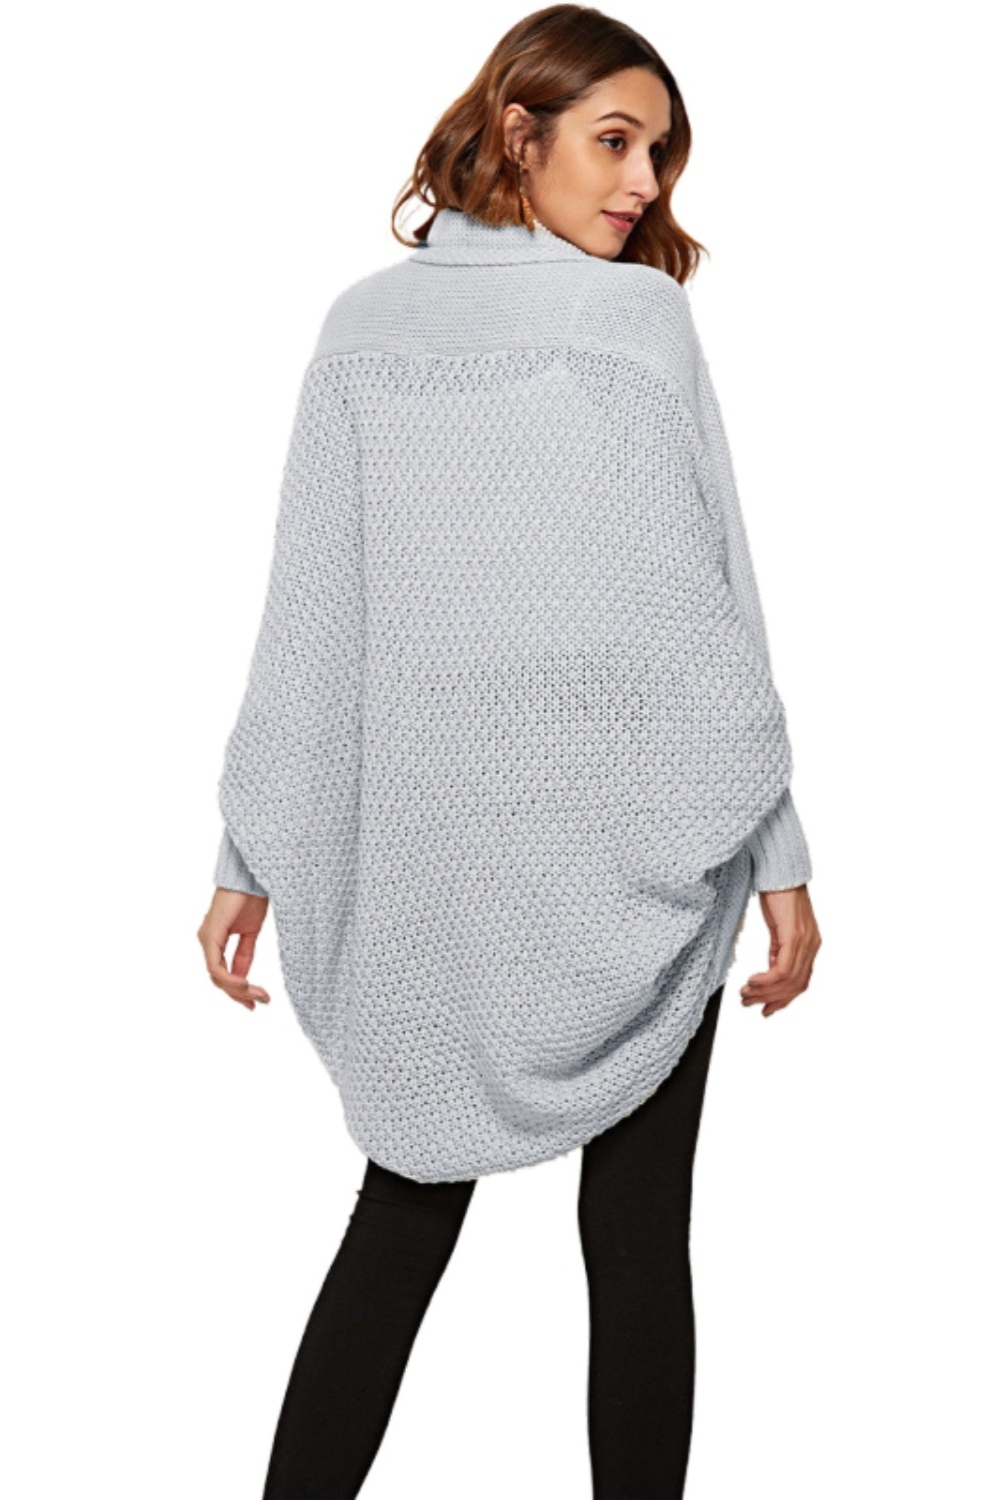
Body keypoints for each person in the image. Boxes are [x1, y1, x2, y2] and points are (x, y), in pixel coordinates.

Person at [196, 6, 822, 1496]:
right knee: (596, 1238)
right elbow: (320, 604)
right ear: (517, 132)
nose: (645, 183)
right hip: (530, 855)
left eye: (660, 153)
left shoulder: (619, 317)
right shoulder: (381, 331)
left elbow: (703, 597)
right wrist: (247, 845)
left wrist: (777, 849)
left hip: (601, 843)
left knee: (453, 1222)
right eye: (616, 141)